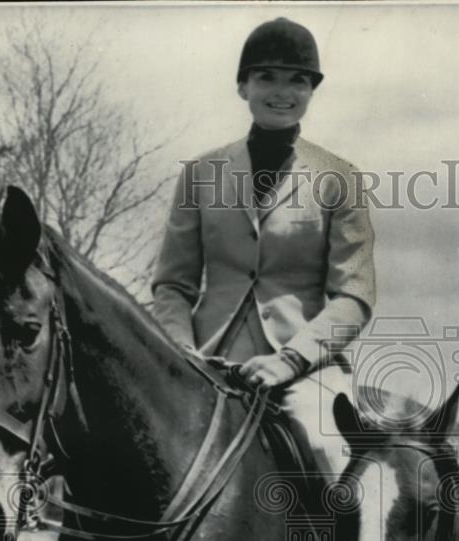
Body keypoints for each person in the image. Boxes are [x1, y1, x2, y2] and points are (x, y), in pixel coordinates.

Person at [151, 16, 375, 481]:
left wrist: (289, 360)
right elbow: (173, 284)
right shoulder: (199, 174)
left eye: (298, 80)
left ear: (312, 91)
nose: (282, 91)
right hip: (206, 361)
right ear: (242, 86)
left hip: (305, 369)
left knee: (337, 466)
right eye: (266, 77)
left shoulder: (341, 178)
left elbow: (354, 296)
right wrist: (182, 354)